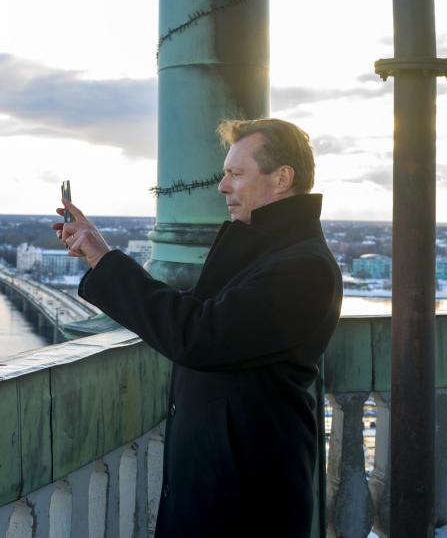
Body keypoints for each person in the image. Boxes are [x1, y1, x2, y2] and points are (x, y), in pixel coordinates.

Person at [54, 118, 343, 537]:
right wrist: (101, 254)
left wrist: (105, 261)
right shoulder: (267, 251)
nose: (223, 186)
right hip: (226, 487)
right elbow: (200, 318)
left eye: (236, 174)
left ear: (282, 178)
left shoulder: (303, 268)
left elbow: (198, 336)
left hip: (247, 505)